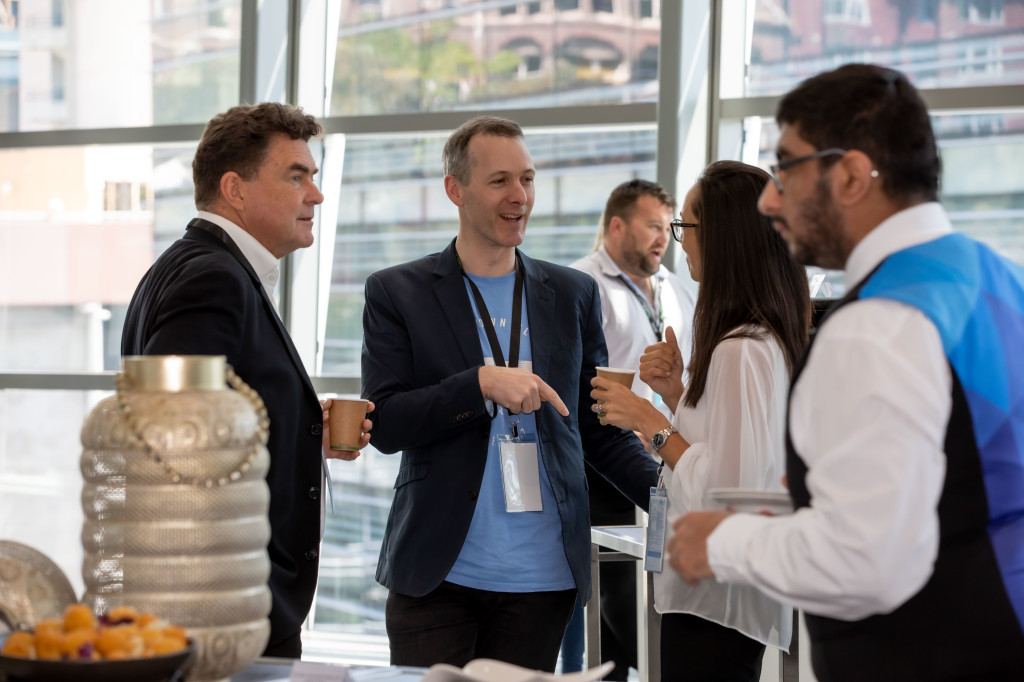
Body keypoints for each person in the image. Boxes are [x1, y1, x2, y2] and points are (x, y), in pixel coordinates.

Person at [668, 63, 1024, 681]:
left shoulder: (875, 323)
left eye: (786, 170)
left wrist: (720, 542)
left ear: (853, 176)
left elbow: (866, 562)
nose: (771, 200)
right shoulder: (998, 280)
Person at [360, 115, 660, 672]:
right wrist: (478, 385)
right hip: (437, 574)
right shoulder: (397, 291)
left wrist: (675, 495)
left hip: (542, 581)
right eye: (499, 181)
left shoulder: (572, 293)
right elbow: (388, 423)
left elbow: (595, 430)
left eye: (527, 179)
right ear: (456, 189)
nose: (519, 195)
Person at [121, 102, 374, 658]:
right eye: (296, 177)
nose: (316, 195)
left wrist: (301, 431)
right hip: (225, 608)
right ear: (235, 189)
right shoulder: (214, 279)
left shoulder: (195, 266)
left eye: (314, 177)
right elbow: (172, 445)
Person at [591, 161, 806, 681]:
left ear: (722, 237)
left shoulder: (742, 348)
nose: (680, 241)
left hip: (716, 592)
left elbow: (729, 489)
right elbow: (732, 442)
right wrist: (676, 394)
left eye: (685, 226)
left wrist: (651, 421)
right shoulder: (755, 338)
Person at [563, 179, 696, 678]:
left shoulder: (676, 288)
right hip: (602, 460)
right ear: (617, 226)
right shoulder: (582, 283)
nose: (664, 237)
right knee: (613, 598)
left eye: (668, 227)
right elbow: (572, 380)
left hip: (667, 453)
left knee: (649, 581)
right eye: (653, 226)